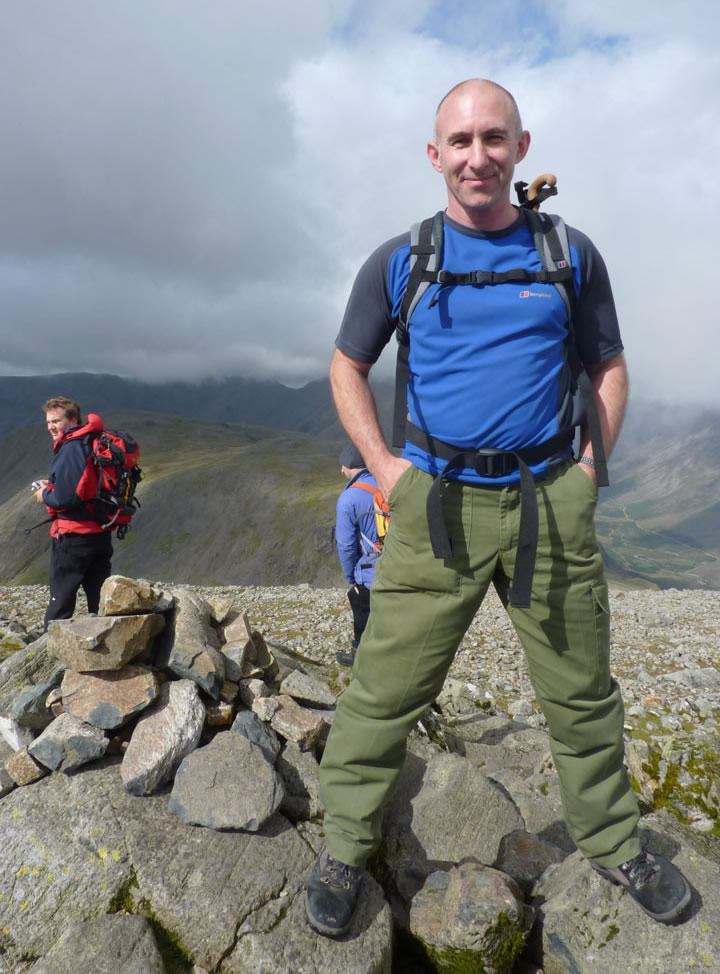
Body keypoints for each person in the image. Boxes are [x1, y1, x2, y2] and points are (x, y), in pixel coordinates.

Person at [305, 79, 691, 937]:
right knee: (383, 687)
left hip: (548, 501)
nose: (477, 154)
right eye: (461, 139)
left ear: (520, 147)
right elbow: (346, 364)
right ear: (435, 154)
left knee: (581, 691)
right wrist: (384, 469)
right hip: (431, 504)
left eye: (493, 137)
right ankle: (344, 844)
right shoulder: (403, 259)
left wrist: (591, 472)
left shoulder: (569, 254)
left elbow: (609, 368)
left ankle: (614, 843)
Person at [34, 397, 114, 631]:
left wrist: (44, 495)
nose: (51, 426)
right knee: (98, 599)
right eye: (49, 421)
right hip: (100, 533)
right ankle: (105, 650)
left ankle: (51, 657)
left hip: (73, 538)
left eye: (56, 421)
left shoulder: (72, 448)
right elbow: (84, 486)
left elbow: (66, 499)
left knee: (61, 601)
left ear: (73, 420)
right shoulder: (92, 442)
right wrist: (53, 485)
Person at [335, 444, 381, 667]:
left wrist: (351, 578)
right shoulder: (387, 483)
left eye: (342, 466)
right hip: (403, 559)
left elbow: (345, 545)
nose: (341, 471)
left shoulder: (349, 498)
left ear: (349, 466)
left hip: (373, 567)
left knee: (360, 602)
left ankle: (360, 658)